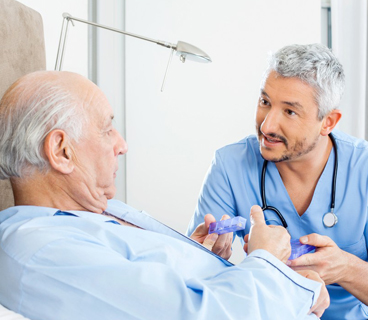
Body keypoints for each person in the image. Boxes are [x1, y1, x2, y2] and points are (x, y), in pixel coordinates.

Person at [0, 71, 329, 320]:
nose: (122, 145)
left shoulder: (97, 212)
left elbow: (157, 294)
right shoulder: (40, 252)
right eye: (106, 128)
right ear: (61, 150)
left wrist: (192, 256)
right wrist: (268, 261)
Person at [187, 43, 368, 320]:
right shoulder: (230, 165)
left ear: (328, 122)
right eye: (265, 102)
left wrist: (345, 268)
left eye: (289, 111)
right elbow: (192, 277)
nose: (267, 126)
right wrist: (207, 256)